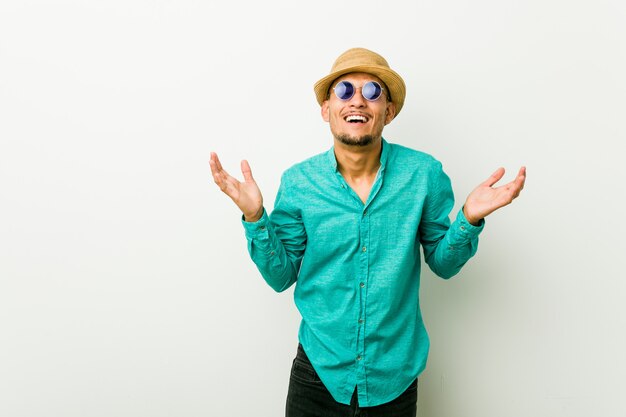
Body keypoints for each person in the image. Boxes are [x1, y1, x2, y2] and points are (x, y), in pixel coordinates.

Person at [209, 47, 526, 417]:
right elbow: (281, 277)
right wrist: (255, 217)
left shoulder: (423, 175)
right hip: (318, 376)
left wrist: (468, 220)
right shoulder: (298, 183)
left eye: (372, 92)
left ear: (388, 111)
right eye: (344, 91)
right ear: (326, 109)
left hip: (394, 378)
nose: (357, 101)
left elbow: (443, 264)